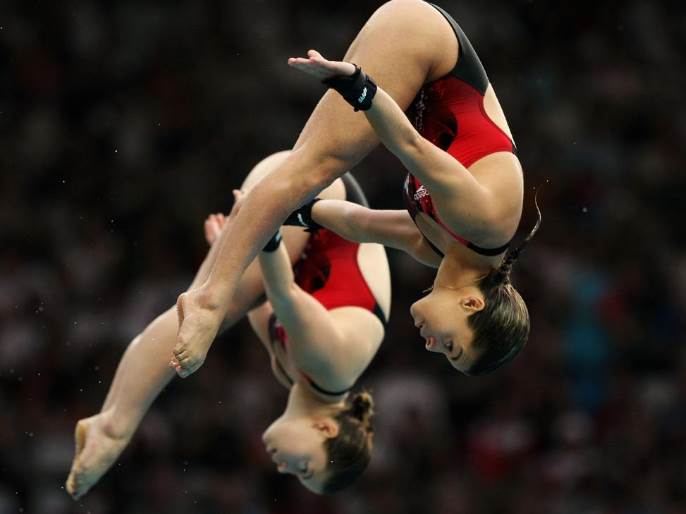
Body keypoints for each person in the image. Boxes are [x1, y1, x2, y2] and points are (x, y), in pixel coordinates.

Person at [173, 0, 537, 377]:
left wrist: (281, 214)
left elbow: (358, 223)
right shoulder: (486, 222)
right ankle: (209, 302)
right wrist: (358, 87)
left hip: (417, 68)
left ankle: (211, 295)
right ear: (472, 305)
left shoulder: (439, 249)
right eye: (450, 346)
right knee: (313, 169)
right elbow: (410, 146)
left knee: (301, 179)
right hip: (426, 43)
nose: (432, 346)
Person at [65, 152, 391, 498]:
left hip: (304, 214)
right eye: (304, 468)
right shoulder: (333, 368)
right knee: (207, 313)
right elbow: (284, 294)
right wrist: (259, 225)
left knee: (205, 308)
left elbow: (261, 305)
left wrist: (230, 253)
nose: (284, 468)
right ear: (326, 429)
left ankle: (112, 419)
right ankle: (114, 428)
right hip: (320, 192)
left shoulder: (292, 374)